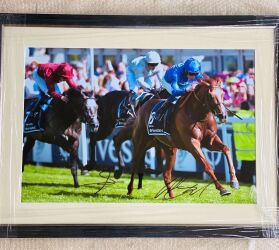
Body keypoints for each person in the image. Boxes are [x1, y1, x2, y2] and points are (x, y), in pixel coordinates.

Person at [154, 57, 203, 121]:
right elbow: (175, 92)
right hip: (168, 81)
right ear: (186, 71)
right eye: (191, 74)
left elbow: (203, 82)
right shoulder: (176, 74)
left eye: (195, 74)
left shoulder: (194, 71)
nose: (193, 76)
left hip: (183, 81)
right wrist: (187, 90)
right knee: (176, 96)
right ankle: (159, 112)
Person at [232, 101, 255, 183]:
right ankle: (248, 182)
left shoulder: (235, 116)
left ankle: (242, 181)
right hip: (250, 147)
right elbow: (256, 130)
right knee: (250, 168)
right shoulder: (250, 116)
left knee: (243, 166)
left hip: (240, 147)